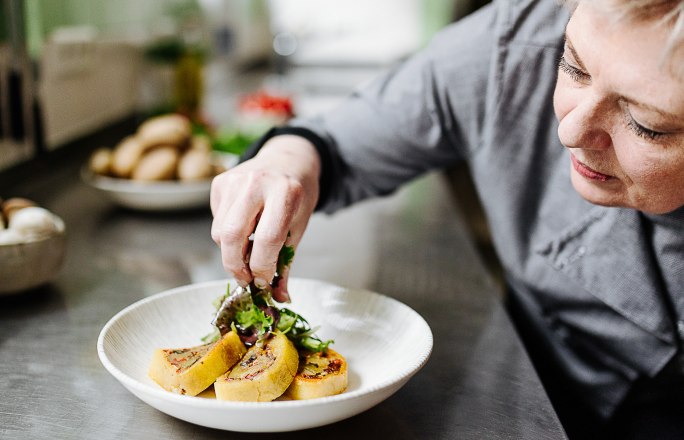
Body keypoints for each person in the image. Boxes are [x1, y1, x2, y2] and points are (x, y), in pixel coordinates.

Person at [209, 0, 684, 437]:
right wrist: (288, 164)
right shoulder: (516, 40)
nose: (571, 130)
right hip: (525, 381)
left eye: (647, 125)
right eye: (574, 66)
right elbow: (337, 143)